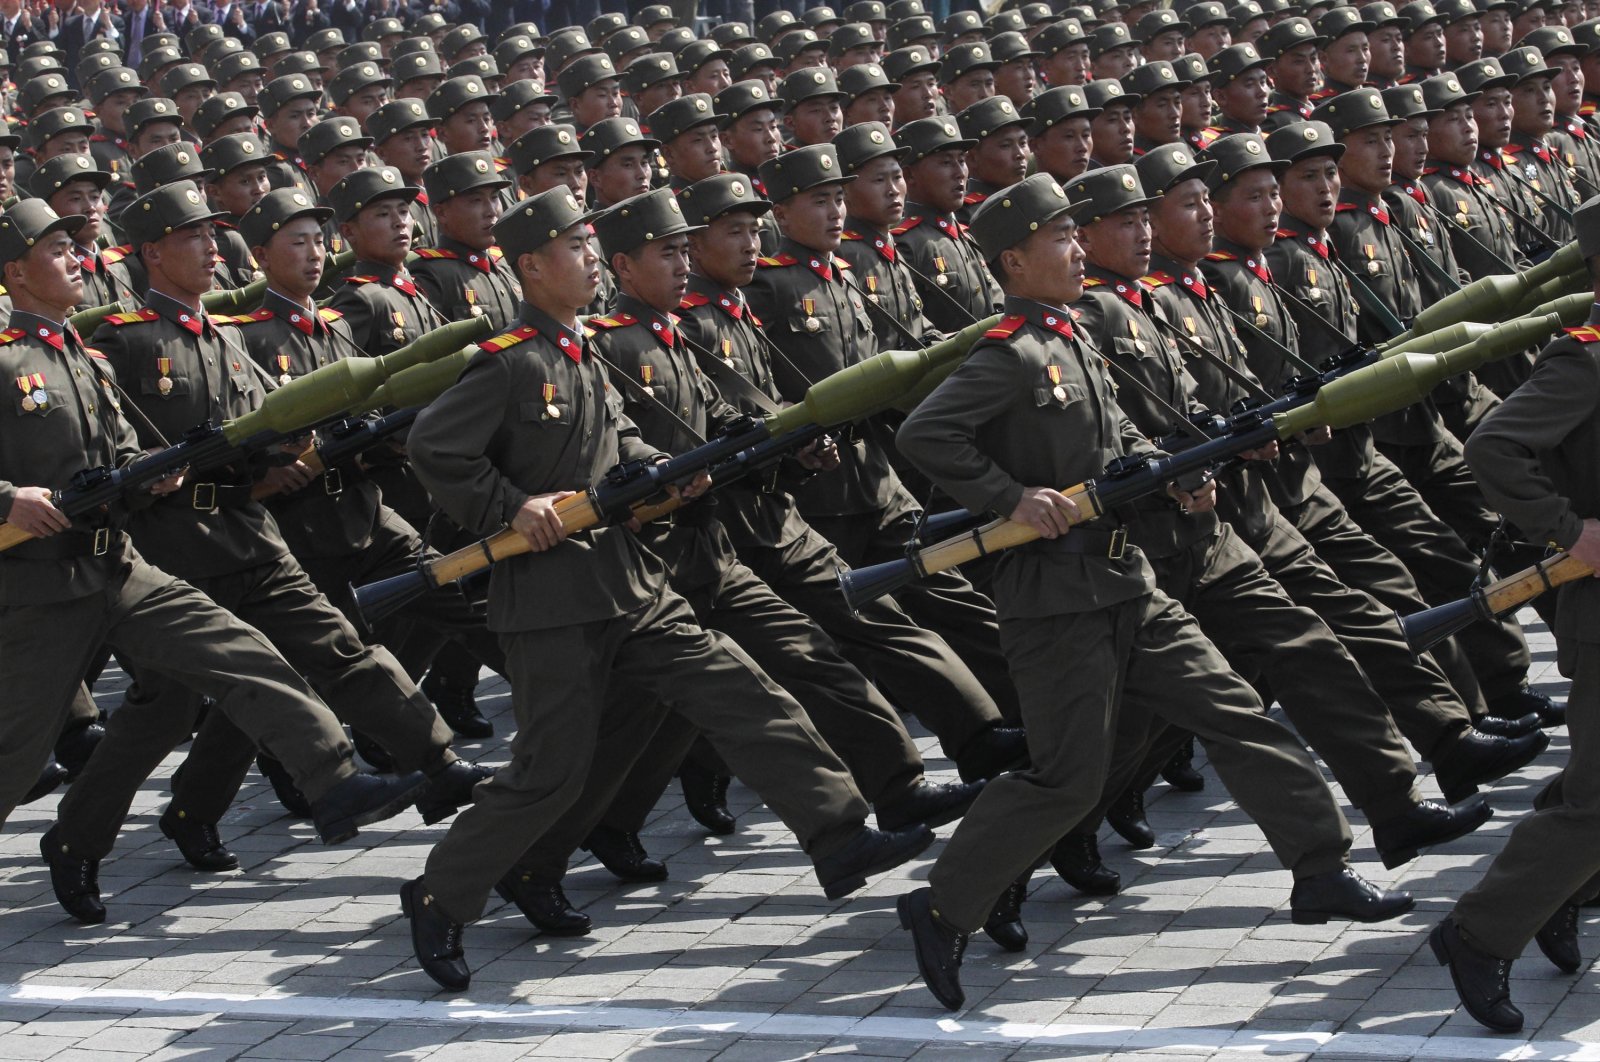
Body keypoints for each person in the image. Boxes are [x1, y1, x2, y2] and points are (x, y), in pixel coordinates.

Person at [892, 172, 1412, 1013]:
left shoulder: (1071, 335)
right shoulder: (1010, 353)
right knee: (1066, 776)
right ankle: (944, 904)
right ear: (1015, 261)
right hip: (1056, 599)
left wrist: (1174, 481)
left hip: (1128, 577)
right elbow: (926, 433)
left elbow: (1114, 432)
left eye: (1073, 235)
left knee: (1236, 712)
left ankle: (1320, 866)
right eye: (1060, 238)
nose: (1075, 249)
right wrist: (1008, 496)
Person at [397, 185, 935, 992]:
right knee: (550, 769)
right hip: (550, 603)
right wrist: (513, 507)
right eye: (575, 249)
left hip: (633, 583)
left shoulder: (580, 352)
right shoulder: (510, 362)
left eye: (589, 244)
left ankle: (839, 834)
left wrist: (659, 480)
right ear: (534, 266)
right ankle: (441, 891)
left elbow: (618, 442)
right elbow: (433, 449)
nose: (588, 262)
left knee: (747, 693)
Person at [0, 196, 425, 914]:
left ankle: (333, 779)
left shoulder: (88, 359)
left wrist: (154, 473)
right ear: (14, 271)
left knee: (243, 653)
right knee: (15, 752)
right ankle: (72, 842)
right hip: (42, 584)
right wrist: (6, 498)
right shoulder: (9, 362)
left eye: (77, 246)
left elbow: (121, 455)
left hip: (120, 566)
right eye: (56, 249)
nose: (77, 258)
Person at [1432, 196, 1600, 1034]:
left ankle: (1565, 888)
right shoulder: (1586, 362)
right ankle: (1477, 932)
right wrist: (1570, 530)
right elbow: (1493, 445)